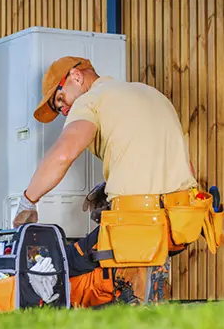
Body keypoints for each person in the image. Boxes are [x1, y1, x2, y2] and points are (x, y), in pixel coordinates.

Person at [12, 56, 201, 308]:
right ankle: (144, 291)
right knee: (127, 259)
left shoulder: (90, 100)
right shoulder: (149, 92)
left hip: (138, 223)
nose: (64, 111)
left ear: (76, 77)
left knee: (60, 264)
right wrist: (112, 187)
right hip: (182, 222)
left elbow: (62, 155)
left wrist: (28, 201)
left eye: (60, 100)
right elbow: (183, 166)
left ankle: (129, 297)